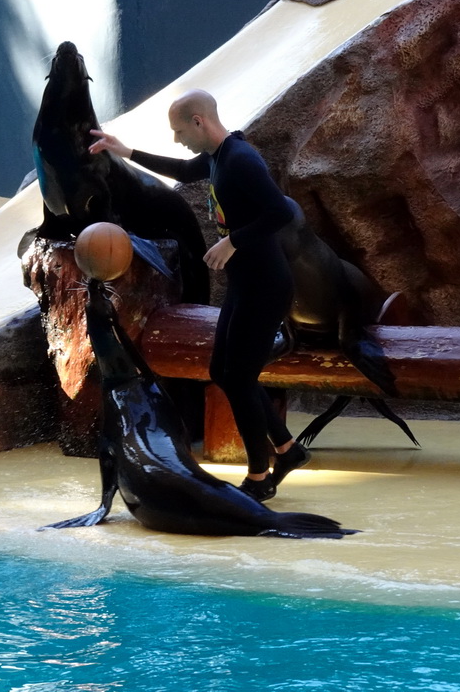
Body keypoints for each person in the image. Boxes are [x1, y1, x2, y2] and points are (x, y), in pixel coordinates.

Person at [88, 89, 310, 502]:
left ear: (199, 122)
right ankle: (287, 449)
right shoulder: (218, 157)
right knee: (224, 371)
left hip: (265, 285)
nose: (178, 140)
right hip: (247, 283)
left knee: (239, 377)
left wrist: (233, 242)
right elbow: (185, 169)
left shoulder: (241, 160)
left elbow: (281, 211)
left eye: (179, 131)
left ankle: (260, 476)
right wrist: (125, 151)